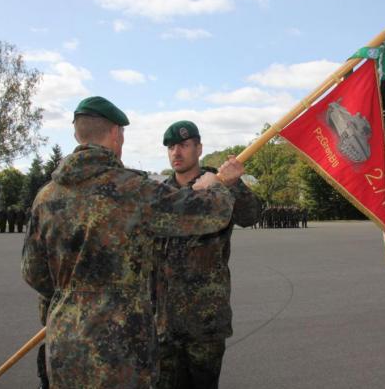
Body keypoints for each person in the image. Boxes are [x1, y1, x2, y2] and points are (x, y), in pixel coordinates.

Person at [22, 97, 239, 389]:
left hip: (65, 341)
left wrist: (76, 296)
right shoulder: (133, 190)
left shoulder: (46, 196)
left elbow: (33, 273)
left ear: (76, 134)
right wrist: (217, 185)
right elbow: (211, 214)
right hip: (121, 342)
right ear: (116, 133)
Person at [154, 121, 261, 389]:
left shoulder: (220, 184)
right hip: (164, 320)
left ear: (199, 149)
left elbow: (251, 216)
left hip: (206, 318)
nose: (176, 152)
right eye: (171, 147)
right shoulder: (160, 194)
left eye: (183, 145)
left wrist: (233, 184)